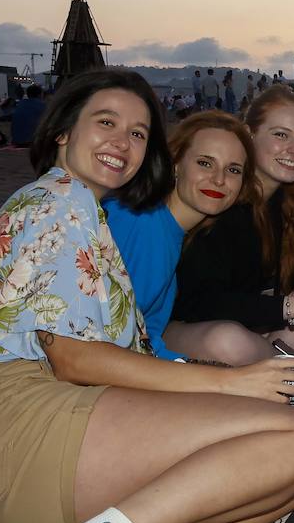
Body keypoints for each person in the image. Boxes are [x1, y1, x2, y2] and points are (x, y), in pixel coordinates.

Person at [0, 68, 294, 523]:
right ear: (62, 131)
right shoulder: (58, 206)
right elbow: (73, 356)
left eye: (137, 133)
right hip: (22, 429)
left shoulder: (85, 210)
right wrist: (226, 382)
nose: (122, 142)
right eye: (106, 123)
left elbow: (120, 341)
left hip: (47, 437)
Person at [169, 87, 294, 364]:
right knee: (229, 341)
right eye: (281, 134)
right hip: (185, 324)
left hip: (250, 322)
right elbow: (200, 302)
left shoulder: (291, 199)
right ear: (249, 134)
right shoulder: (220, 196)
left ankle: (273, 356)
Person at [105, 111, 259, 360]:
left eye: (233, 170)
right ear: (175, 163)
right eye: (205, 163)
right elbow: (112, 343)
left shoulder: (167, 229)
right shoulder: (142, 224)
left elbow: (143, 336)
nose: (219, 179)